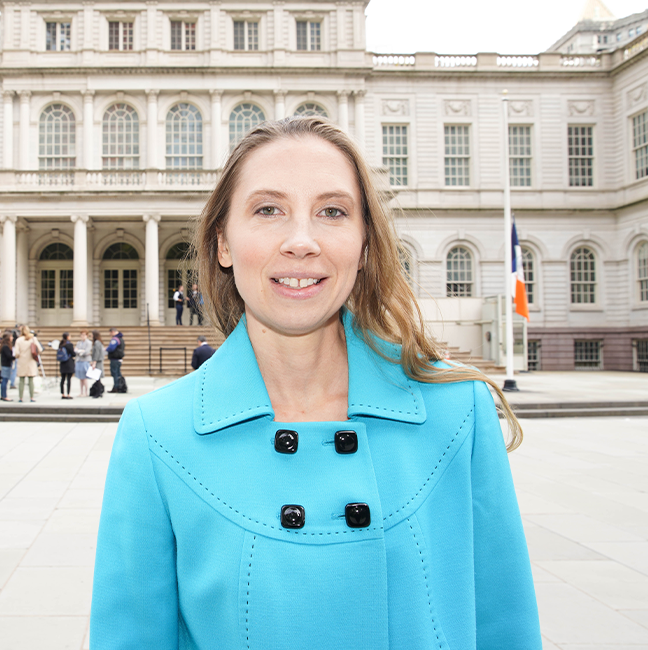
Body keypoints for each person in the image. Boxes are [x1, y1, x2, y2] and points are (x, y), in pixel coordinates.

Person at [90, 117, 540, 648]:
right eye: (268, 210)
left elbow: (504, 627)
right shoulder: (157, 434)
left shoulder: (458, 409)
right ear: (223, 244)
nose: (301, 241)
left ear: (365, 244)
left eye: (332, 211)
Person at [13, 325, 43, 402]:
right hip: (31, 360)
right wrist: (36, 354)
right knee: (31, 380)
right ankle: (31, 397)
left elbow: (16, 352)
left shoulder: (18, 340)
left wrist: (19, 356)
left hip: (22, 361)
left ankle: (20, 398)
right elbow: (40, 349)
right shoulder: (33, 339)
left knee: (21, 380)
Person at [105, 328, 125, 393]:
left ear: (113, 332)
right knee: (118, 373)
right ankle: (120, 386)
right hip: (119, 358)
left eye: (110, 333)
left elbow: (111, 348)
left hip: (114, 358)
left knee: (115, 373)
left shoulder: (115, 339)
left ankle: (116, 387)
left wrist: (106, 349)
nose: (110, 334)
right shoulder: (120, 339)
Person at [74, 330, 92, 397]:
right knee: (80, 378)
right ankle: (81, 392)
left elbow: (86, 351)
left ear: (87, 335)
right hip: (79, 360)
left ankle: (86, 392)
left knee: (84, 377)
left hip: (85, 360)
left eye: (84, 335)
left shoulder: (89, 343)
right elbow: (75, 350)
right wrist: (80, 351)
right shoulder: (79, 342)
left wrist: (80, 351)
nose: (82, 336)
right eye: (81, 335)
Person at [0, 332, 14, 402]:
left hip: (5, 364)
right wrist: (15, 357)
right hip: (6, 365)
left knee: (4, 380)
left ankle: (3, 395)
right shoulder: (6, 346)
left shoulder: (4, 346)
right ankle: (4, 396)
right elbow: (9, 356)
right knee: (5, 380)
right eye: (11, 337)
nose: (12, 338)